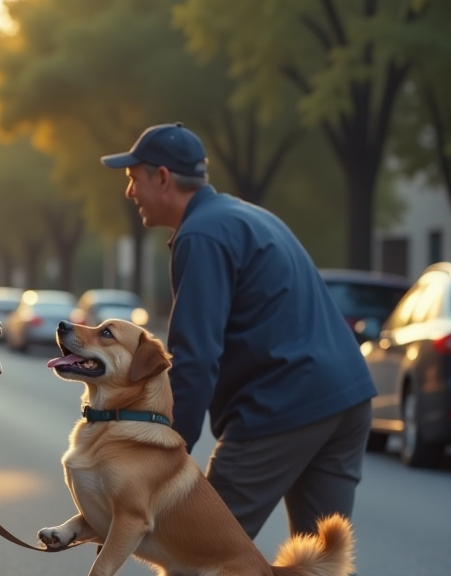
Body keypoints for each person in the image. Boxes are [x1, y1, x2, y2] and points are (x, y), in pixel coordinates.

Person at [100, 122, 377, 539]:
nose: (129, 192)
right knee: (321, 560)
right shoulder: (246, 216)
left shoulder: (202, 235)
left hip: (283, 404)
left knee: (197, 551)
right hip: (348, 398)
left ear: (162, 178)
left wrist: (165, 452)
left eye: (133, 178)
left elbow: (194, 358)